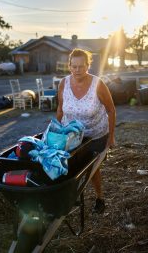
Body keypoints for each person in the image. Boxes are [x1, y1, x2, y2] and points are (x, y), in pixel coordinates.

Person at [56, 48, 116, 213]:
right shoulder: (63, 83)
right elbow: (60, 110)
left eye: (81, 66)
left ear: (88, 65)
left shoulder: (98, 84)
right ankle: (70, 198)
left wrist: (111, 137)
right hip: (71, 135)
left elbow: (111, 110)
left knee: (92, 169)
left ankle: (99, 197)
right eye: (74, 66)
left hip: (95, 135)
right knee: (69, 167)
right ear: (69, 66)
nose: (77, 70)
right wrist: (55, 132)